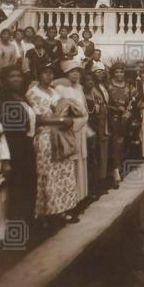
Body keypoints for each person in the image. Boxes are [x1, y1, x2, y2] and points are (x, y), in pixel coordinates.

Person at [26, 65, 79, 224]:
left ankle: (62, 211)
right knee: (47, 173)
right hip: (45, 137)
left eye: (51, 73)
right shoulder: (33, 93)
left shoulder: (54, 91)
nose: (48, 76)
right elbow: (39, 118)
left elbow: (64, 110)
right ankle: (46, 214)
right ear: (38, 74)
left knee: (62, 173)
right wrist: (62, 120)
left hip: (60, 136)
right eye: (45, 73)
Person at [0, 65, 37, 223]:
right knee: (17, 187)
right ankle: (17, 223)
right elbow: (10, 129)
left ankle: (26, 221)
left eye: (18, 76)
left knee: (26, 185)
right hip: (15, 148)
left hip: (26, 147)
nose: (16, 79)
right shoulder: (4, 98)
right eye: (11, 76)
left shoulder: (21, 97)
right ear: (4, 80)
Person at [53, 60, 90, 203]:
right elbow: (60, 110)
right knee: (71, 160)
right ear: (66, 73)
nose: (75, 74)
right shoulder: (60, 88)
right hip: (69, 129)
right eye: (72, 71)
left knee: (81, 160)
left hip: (81, 128)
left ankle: (81, 196)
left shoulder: (80, 88)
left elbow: (83, 108)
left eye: (77, 71)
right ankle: (71, 198)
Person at [107, 63, 133, 186]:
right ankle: (115, 170)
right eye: (117, 71)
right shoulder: (108, 85)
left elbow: (134, 98)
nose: (119, 74)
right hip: (112, 117)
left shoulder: (128, 85)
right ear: (113, 73)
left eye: (121, 72)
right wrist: (116, 108)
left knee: (123, 142)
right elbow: (105, 103)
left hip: (125, 118)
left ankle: (120, 166)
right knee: (115, 142)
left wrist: (129, 107)